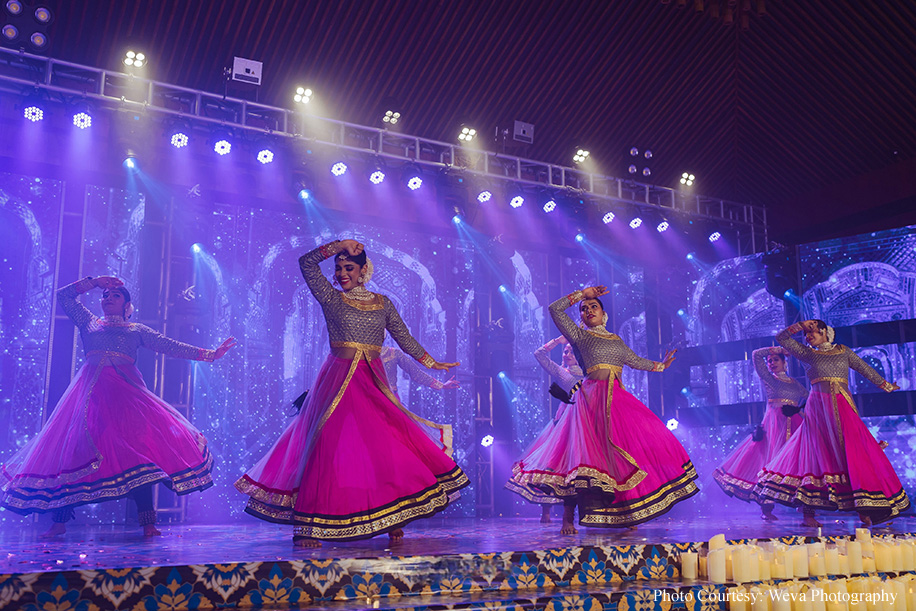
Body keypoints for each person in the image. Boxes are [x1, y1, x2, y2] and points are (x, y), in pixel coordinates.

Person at [235, 239, 469, 547]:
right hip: (337, 380)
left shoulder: (383, 303)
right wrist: (336, 246)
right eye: (338, 268)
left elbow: (404, 338)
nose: (342, 273)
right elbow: (306, 263)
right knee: (327, 444)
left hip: (372, 379)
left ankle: (394, 517)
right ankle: (308, 525)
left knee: (384, 443)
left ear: (363, 271)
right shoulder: (331, 298)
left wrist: (431, 362)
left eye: (349, 268)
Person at [0, 276, 235, 537]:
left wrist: (210, 355)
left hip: (127, 401)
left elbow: (170, 346)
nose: (108, 299)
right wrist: (93, 282)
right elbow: (63, 296)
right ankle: (59, 522)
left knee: (136, 454)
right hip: (89, 400)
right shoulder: (89, 323)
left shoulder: (136, 330)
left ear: (127, 305)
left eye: (115, 296)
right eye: (105, 296)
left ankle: (148, 523)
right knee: (73, 452)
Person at [508, 286, 698, 534]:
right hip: (588, 401)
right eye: (584, 309)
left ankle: (626, 511)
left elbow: (635, 361)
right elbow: (555, 309)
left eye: (593, 306)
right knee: (580, 459)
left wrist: (660, 365)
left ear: (604, 314)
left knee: (622, 455)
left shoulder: (617, 341)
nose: (588, 310)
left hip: (616, 401)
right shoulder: (579, 336)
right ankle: (568, 516)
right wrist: (581, 294)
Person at [754, 320, 907, 527]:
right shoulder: (807, 354)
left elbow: (863, 367)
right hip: (818, 410)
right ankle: (808, 515)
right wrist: (800, 325)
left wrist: (885, 384)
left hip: (843, 406)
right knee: (815, 456)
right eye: (806, 334)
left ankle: (864, 510)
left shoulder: (843, 351)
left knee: (853, 453)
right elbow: (782, 338)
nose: (808, 337)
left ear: (825, 331)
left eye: (812, 332)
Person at [714, 346, 807, 520]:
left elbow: (808, 396)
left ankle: (803, 503)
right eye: (769, 361)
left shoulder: (795, 383)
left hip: (795, 424)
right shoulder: (769, 379)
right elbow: (756, 354)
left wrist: (799, 410)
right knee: (769, 461)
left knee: (799, 461)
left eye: (775, 360)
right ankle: (767, 509)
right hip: (774, 426)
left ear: (784, 362)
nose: (771, 363)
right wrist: (777, 349)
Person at [506, 335, 584, 523]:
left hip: (587, 420)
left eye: (571, 352)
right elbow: (538, 354)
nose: (566, 354)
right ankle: (555, 513)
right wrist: (558, 341)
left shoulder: (590, 373)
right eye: (565, 352)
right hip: (565, 421)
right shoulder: (562, 372)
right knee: (555, 464)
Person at [380, 344, 460, 397]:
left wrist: (441, 385)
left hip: (388, 400)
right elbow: (416, 374)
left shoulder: (392, 353)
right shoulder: (391, 353)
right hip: (372, 402)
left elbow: (416, 374)